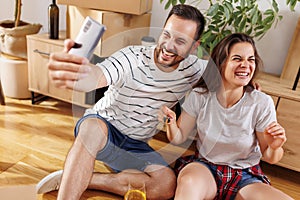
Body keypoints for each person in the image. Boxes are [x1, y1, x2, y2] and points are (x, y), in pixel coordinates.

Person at [36, 4, 207, 200]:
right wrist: (78, 73)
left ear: (194, 46)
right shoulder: (132, 57)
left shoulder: (194, 69)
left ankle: (80, 177)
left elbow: (230, 68)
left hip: (136, 145)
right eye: (166, 35)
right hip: (103, 131)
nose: (169, 46)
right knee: (91, 127)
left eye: (180, 41)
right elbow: (96, 76)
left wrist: (251, 79)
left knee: (167, 185)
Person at [158, 33, 293, 200]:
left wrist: (274, 146)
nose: (246, 65)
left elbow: (271, 157)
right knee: (189, 184)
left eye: (250, 60)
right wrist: (170, 123)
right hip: (205, 168)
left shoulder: (261, 103)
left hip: (245, 176)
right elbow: (179, 138)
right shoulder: (200, 96)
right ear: (220, 63)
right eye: (237, 59)